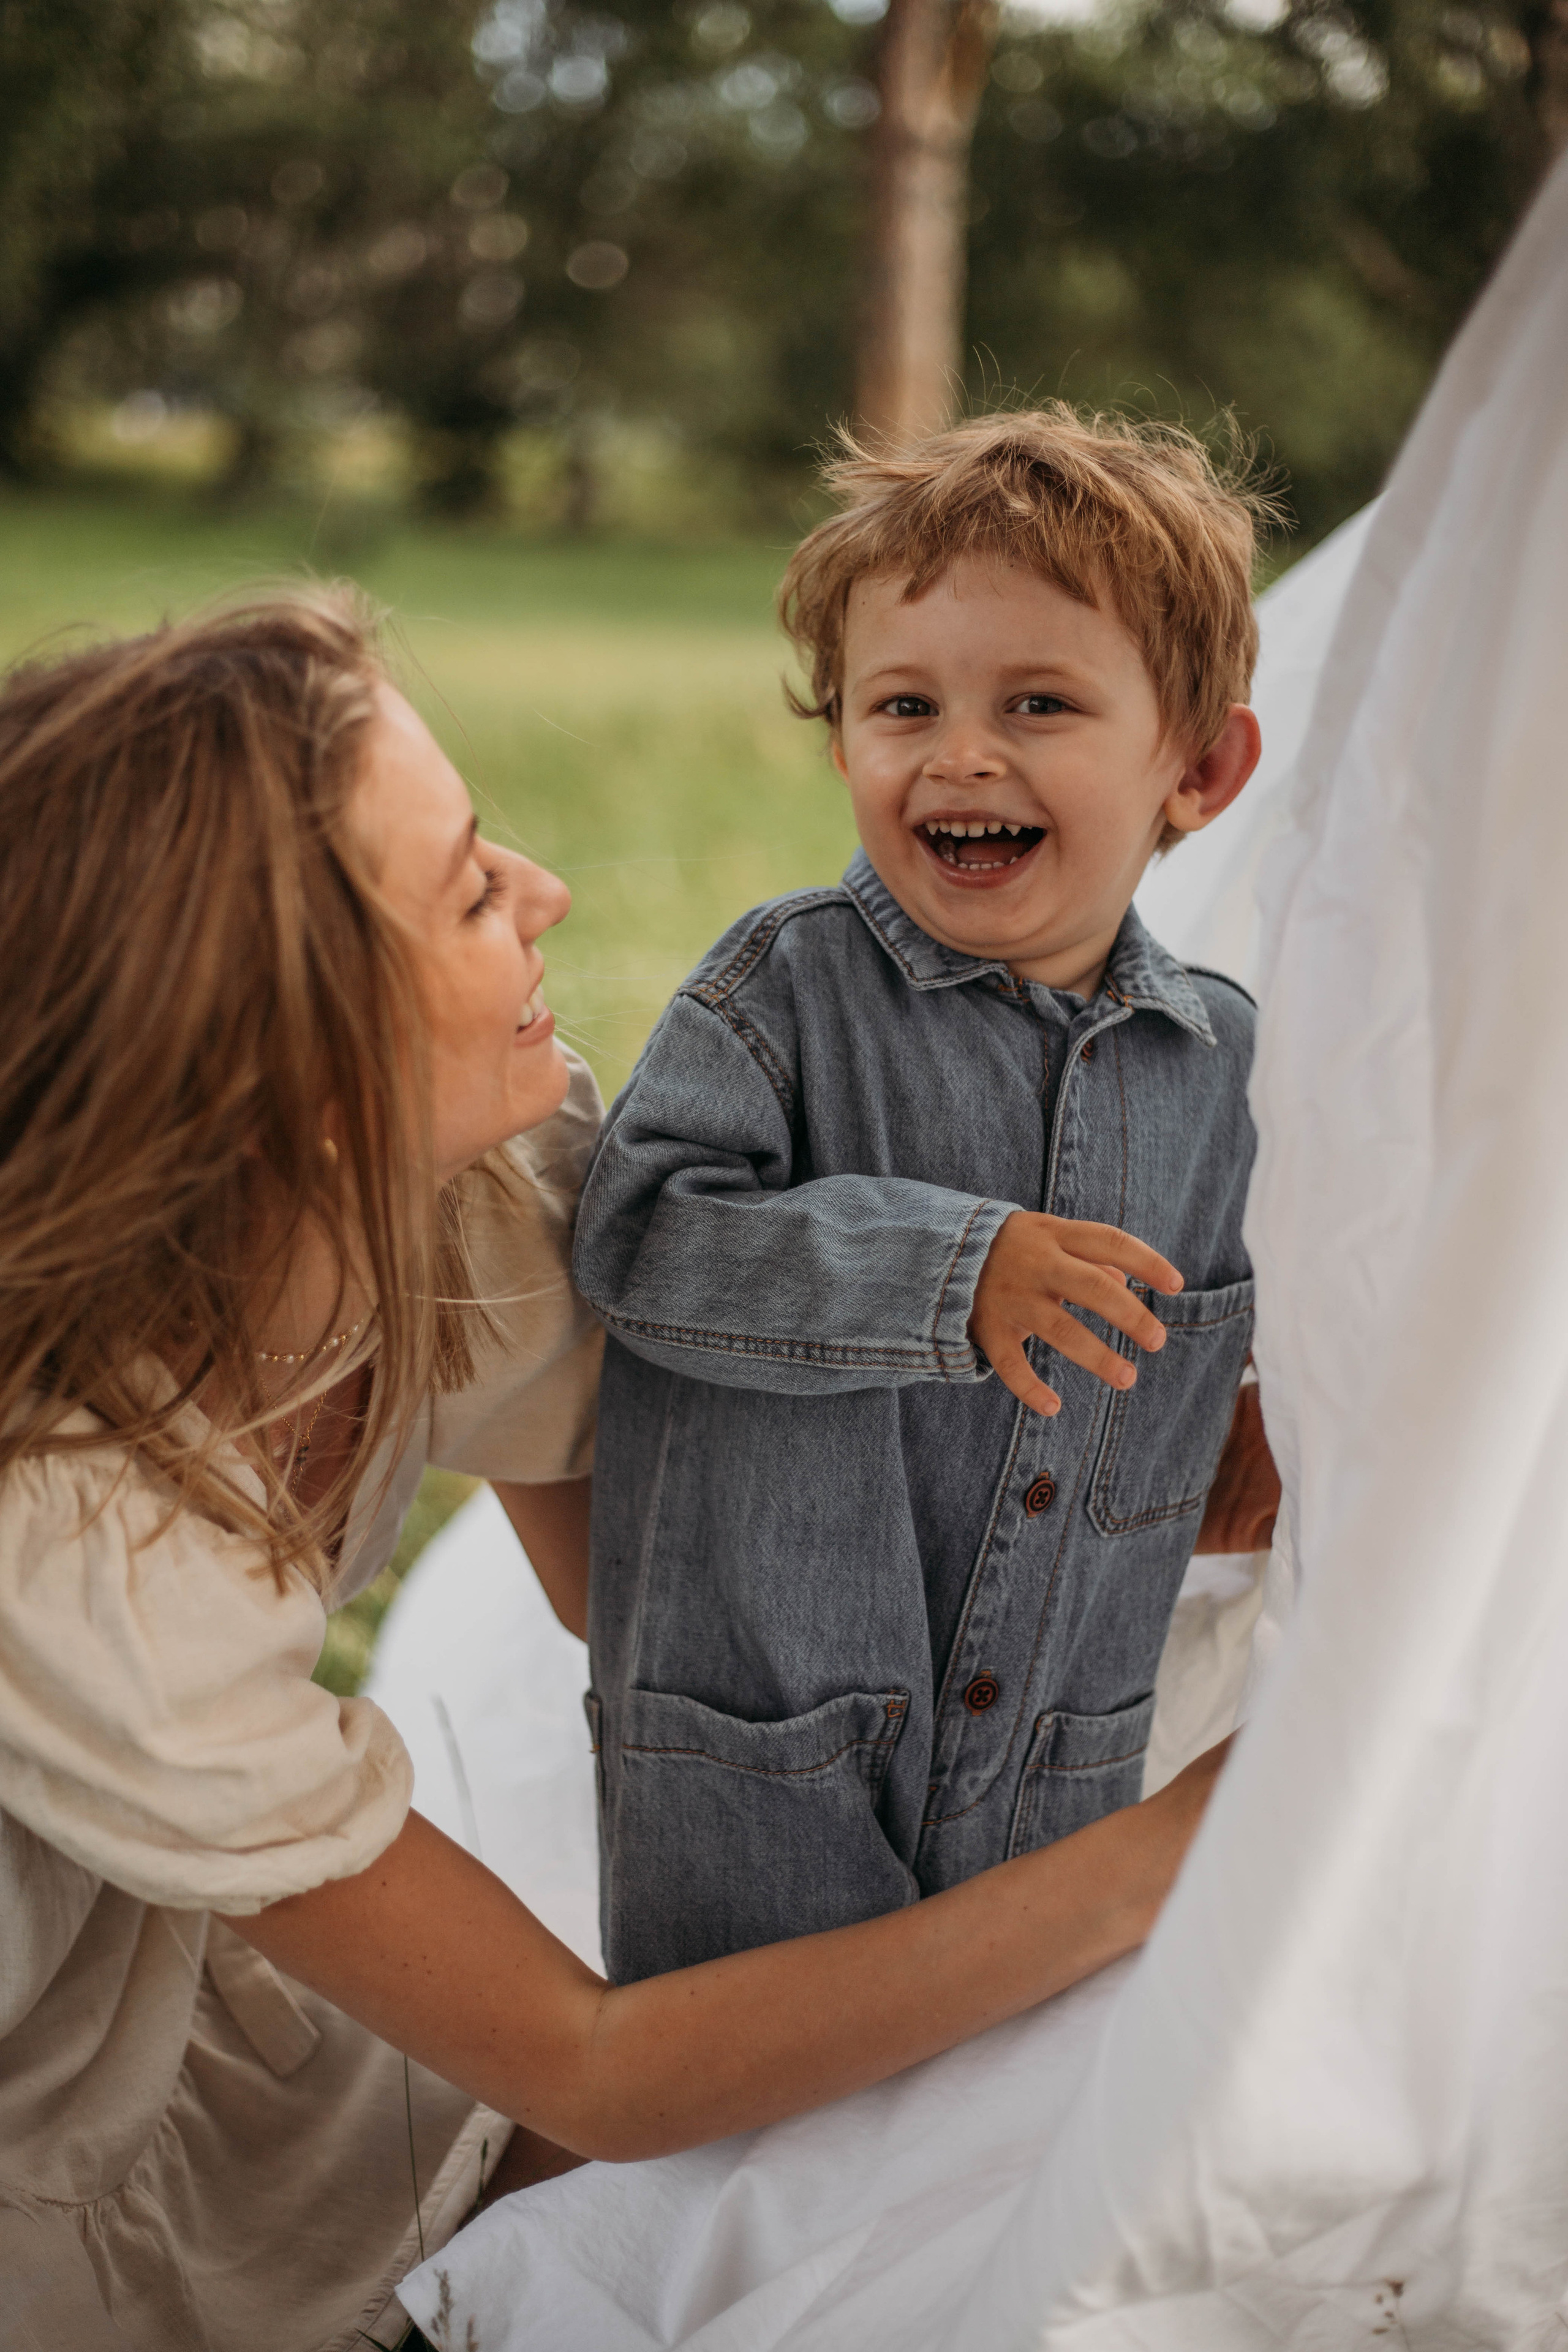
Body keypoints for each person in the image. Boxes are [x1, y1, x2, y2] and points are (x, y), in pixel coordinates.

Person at [0, 590, 1230, 2352]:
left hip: (199, 1959)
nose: (546, 892)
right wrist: (1165, 1858)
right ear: (294, 1081)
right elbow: (598, 2063)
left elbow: (676, 1626)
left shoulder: (467, 1191)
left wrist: (1156, 1485)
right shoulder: (78, 1546)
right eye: (471, 892)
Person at [574, 407, 1280, 1984]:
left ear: (1199, 764)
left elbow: (1228, 1307)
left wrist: (1245, 1417)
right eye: (903, 706)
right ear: (843, 746)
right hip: (772, 1738)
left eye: (1037, 702)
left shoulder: (1222, 1061)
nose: (961, 754)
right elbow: (637, 1238)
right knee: (749, 2102)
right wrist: (937, 1272)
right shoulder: (783, 994)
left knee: (977, 2118)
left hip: (1057, 1734)